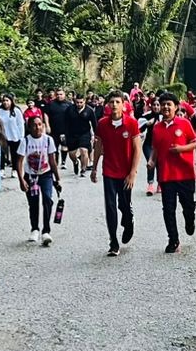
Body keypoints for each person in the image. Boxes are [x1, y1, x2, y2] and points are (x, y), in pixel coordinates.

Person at [90, 90, 140, 257]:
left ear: (123, 104)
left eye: (117, 102)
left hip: (126, 171)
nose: (114, 105)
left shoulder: (132, 123)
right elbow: (98, 146)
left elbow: (137, 149)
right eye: (111, 102)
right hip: (109, 171)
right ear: (108, 105)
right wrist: (94, 167)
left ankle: (128, 222)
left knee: (124, 205)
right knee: (110, 206)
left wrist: (133, 172)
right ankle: (113, 241)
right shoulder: (103, 124)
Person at [149, 93, 196, 253]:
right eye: (162, 104)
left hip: (185, 173)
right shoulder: (156, 128)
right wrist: (152, 161)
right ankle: (173, 240)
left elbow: (195, 143)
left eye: (168, 104)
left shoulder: (184, 123)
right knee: (168, 208)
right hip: (166, 174)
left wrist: (181, 149)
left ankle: (189, 220)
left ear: (176, 106)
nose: (165, 107)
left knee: (188, 205)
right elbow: (155, 148)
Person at [17, 114, 60, 246]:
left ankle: (46, 231)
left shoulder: (48, 140)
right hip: (31, 176)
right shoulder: (26, 141)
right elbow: (19, 162)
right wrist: (21, 180)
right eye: (34, 125)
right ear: (29, 127)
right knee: (33, 202)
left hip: (45, 174)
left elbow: (52, 160)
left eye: (40, 124)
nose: (38, 127)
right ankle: (34, 228)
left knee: (47, 199)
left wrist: (57, 178)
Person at [0, 95, 25, 175]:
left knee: (14, 154)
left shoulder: (16, 111)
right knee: (2, 153)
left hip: (14, 136)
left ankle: (14, 169)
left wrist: (21, 136)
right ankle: (1, 169)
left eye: (7, 100)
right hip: (3, 136)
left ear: (11, 101)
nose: (5, 102)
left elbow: (20, 124)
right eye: (4, 100)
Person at [66, 93, 95, 176]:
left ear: (84, 101)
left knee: (84, 150)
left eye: (81, 102)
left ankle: (83, 169)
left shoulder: (89, 110)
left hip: (84, 133)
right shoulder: (70, 109)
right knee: (71, 154)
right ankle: (75, 162)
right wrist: (64, 134)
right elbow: (66, 122)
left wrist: (96, 135)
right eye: (77, 102)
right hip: (72, 134)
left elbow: (94, 123)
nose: (79, 104)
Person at [138, 101, 160, 196]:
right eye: (154, 105)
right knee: (151, 163)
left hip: (160, 145)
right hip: (148, 145)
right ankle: (150, 184)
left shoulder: (165, 115)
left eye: (158, 105)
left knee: (160, 164)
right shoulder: (146, 116)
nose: (156, 107)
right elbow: (138, 128)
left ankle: (160, 184)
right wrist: (147, 124)